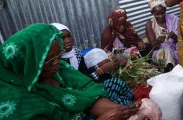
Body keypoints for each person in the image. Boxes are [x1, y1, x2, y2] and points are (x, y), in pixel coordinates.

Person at [0, 24, 139, 119]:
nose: (56, 62)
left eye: (58, 55)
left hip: (86, 109)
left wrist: (125, 111)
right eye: (48, 60)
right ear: (27, 64)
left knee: (116, 89)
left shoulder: (62, 67)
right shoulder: (16, 102)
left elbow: (87, 95)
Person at [145, 0, 179, 72]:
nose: (160, 16)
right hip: (160, 53)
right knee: (168, 53)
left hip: (175, 48)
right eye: (157, 14)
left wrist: (175, 36)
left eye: (162, 13)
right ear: (152, 13)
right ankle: (170, 71)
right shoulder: (150, 24)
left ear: (165, 11)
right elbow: (153, 47)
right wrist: (158, 42)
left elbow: (182, 38)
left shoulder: (174, 19)